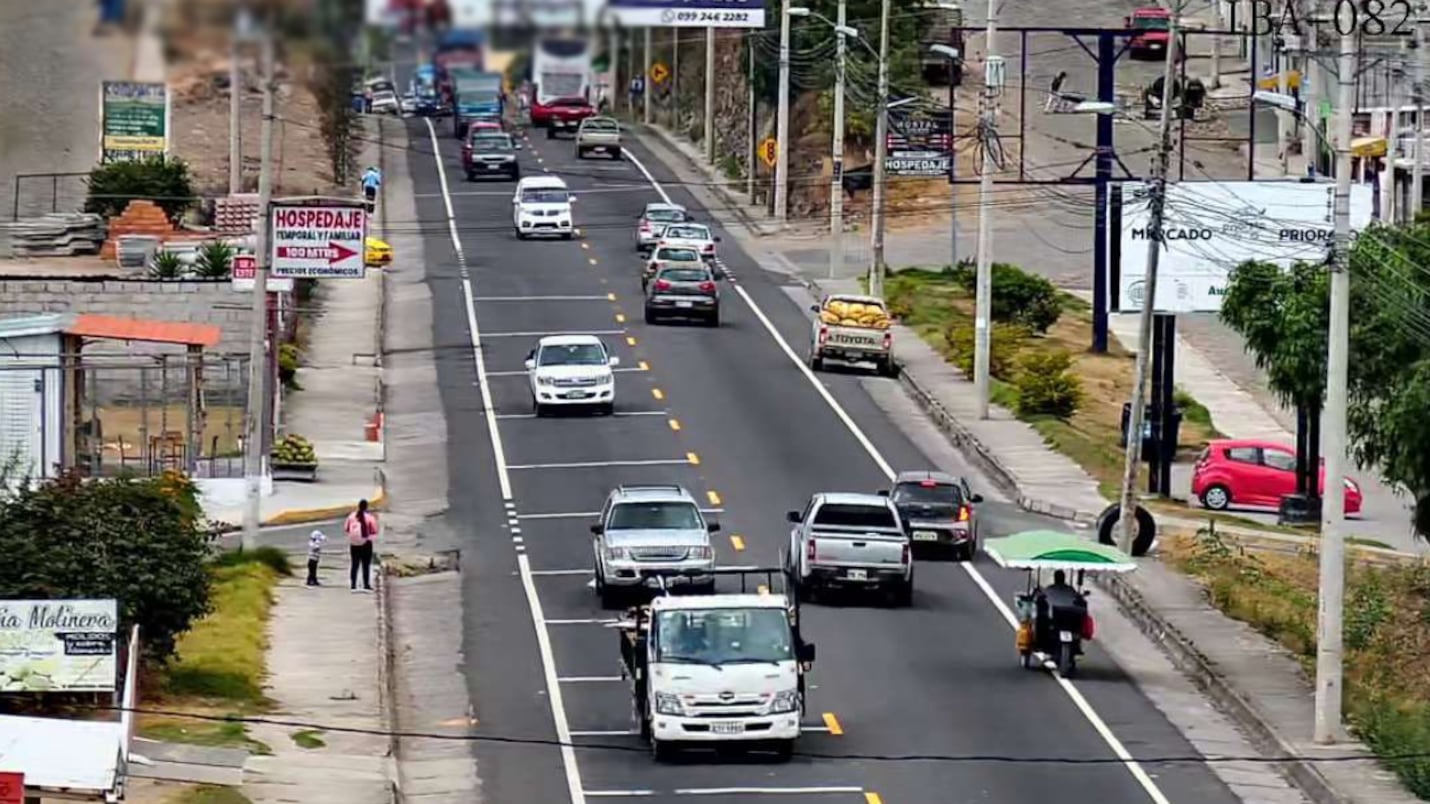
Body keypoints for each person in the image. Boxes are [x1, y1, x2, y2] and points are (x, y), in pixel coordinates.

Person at [345, 499, 379, 592]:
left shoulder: (351, 516)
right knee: (365, 565)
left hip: (354, 544)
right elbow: (374, 531)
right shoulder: (369, 518)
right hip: (366, 544)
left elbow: (347, 529)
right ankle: (366, 585)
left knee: (354, 564)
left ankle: (353, 585)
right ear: (366, 507)